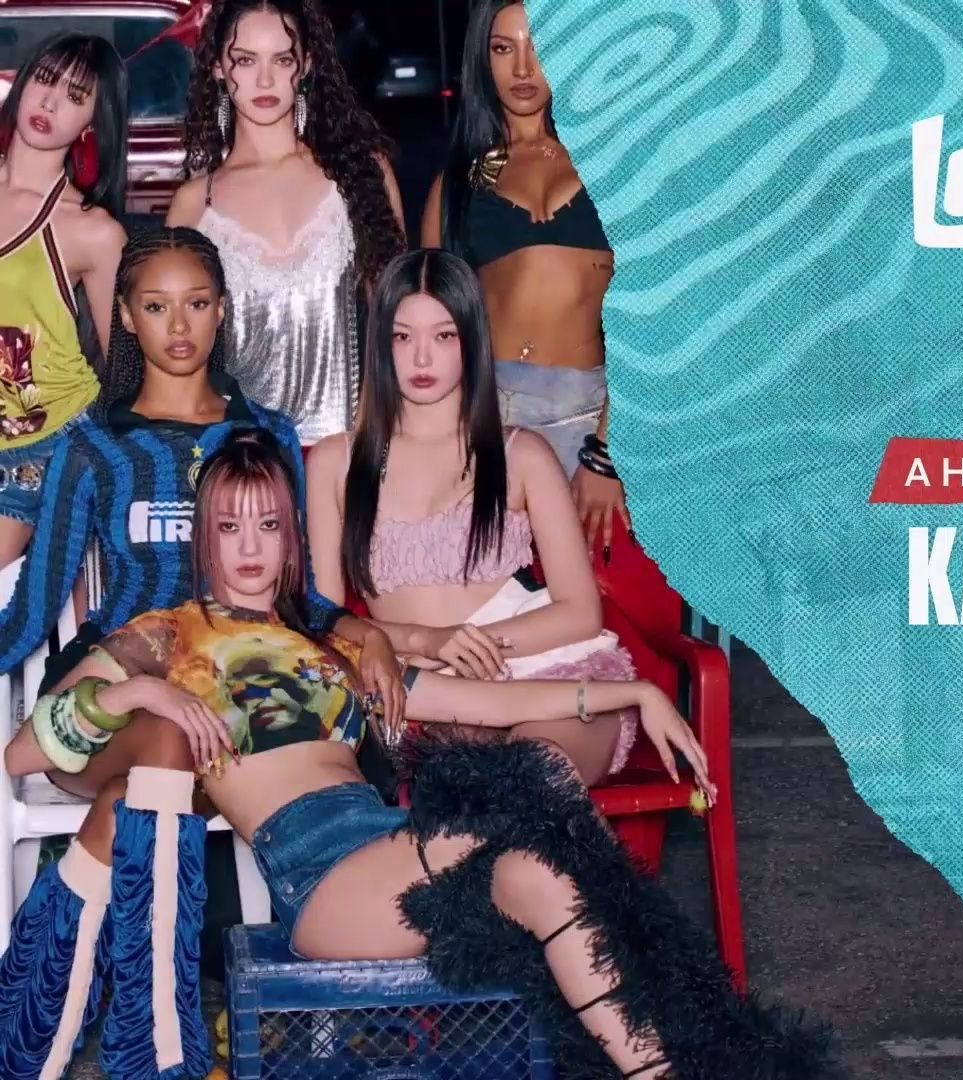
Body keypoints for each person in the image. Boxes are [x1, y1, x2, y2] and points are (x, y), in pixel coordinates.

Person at [0, 432, 835, 1080]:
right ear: (204, 541)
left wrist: (634, 694)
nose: (249, 547)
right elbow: (27, 750)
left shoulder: (332, 648)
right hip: (323, 879)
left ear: (292, 542)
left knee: (546, 872)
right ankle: (727, 1048)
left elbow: (485, 703)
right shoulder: (168, 636)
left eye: (268, 525)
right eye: (228, 526)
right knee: (537, 805)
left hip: (395, 846)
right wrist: (143, 696)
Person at [0, 226, 404, 709]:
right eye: (156, 307)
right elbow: (32, 613)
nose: (178, 326)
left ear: (221, 309)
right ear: (127, 316)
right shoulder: (95, 447)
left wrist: (369, 635)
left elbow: (300, 595)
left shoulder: (268, 435)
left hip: (247, 670)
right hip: (128, 676)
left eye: (196, 303)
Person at [309, 249, 638, 782]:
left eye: (443, 335)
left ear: (472, 339)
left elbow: (580, 613)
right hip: (423, 691)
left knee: (536, 776)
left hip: (549, 671)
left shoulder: (521, 454)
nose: (422, 357)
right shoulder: (335, 462)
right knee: (477, 790)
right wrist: (425, 642)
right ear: (380, 343)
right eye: (402, 336)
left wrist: (464, 647)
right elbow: (325, 624)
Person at [423, 0, 627, 561]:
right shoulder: (458, 185)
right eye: (502, 48)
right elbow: (429, 330)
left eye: (539, 47)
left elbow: (656, 326)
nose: (522, 68)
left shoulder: (614, 166)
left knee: (606, 598)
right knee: (499, 598)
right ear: (482, 59)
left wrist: (605, 453)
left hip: (594, 416)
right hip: (490, 421)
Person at [167, 0, 407, 447]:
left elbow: (398, 322)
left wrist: (371, 440)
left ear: (306, 65)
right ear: (218, 68)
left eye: (281, 60)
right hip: (239, 460)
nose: (265, 80)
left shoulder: (360, 175)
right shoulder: (195, 204)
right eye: (245, 60)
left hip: (349, 450)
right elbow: (177, 354)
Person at [0, 33, 129, 565]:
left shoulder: (91, 231)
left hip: (43, 442)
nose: (50, 103)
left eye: (76, 97)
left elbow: (125, 365)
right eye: (46, 80)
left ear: (92, 122)